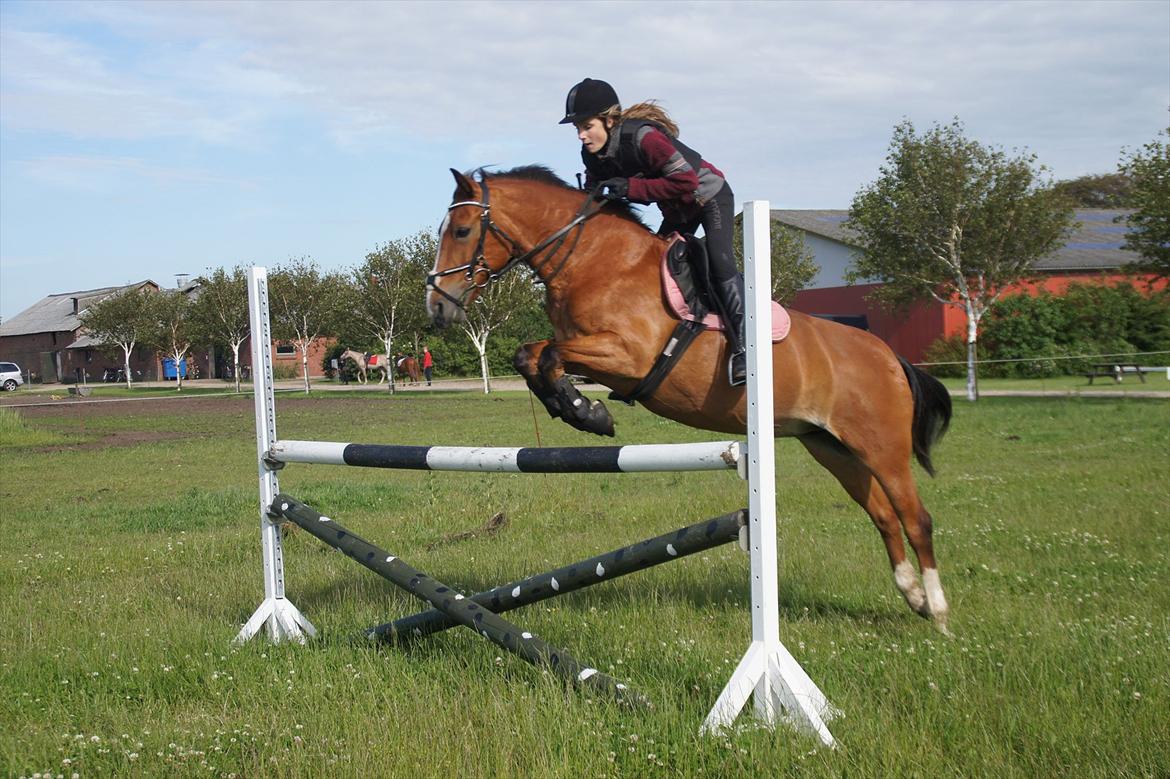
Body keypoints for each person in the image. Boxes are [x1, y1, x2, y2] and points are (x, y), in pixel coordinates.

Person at [560, 77, 746, 386]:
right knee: (654, 267)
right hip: (676, 210)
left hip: (708, 196)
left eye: (586, 126)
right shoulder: (591, 156)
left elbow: (686, 181)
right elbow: (597, 200)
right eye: (576, 129)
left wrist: (630, 187)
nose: (581, 135)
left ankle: (744, 347)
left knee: (719, 260)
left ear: (609, 120)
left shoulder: (644, 137)